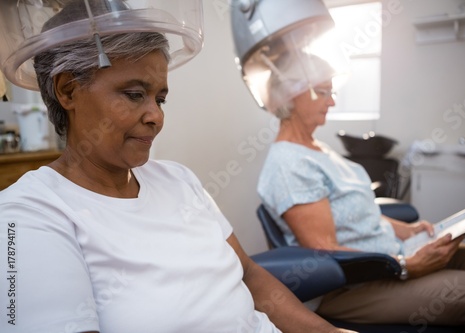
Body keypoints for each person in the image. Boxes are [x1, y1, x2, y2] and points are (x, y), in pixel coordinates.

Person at [0, 2, 355, 333]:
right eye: (134, 94)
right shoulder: (28, 216)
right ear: (68, 91)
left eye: (160, 98)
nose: (156, 116)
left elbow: (248, 273)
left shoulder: (178, 179)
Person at [257, 52, 465, 332]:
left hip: (393, 254)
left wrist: (408, 231)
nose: (332, 101)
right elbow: (325, 251)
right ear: (290, 96)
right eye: (323, 92)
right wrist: (406, 266)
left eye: (332, 92)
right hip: (351, 286)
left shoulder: (318, 149)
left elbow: (358, 214)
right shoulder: (288, 164)